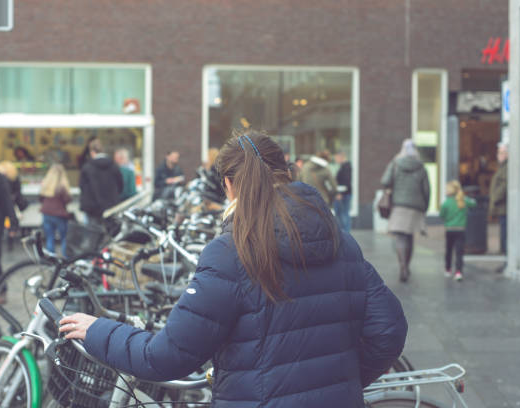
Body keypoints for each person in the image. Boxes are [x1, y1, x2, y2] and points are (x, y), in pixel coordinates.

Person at [60, 131, 408, 408]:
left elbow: (166, 358)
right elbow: (389, 329)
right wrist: (338, 382)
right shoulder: (342, 241)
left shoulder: (230, 253)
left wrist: (97, 330)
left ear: (228, 185)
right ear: (286, 171)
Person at [381, 139, 430, 283]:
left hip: (399, 205)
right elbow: (426, 190)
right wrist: (425, 207)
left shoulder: (396, 163)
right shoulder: (421, 167)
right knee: (410, 237)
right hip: (416, 206)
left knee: (400, 237)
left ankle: (402, 267)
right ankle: (407, 266)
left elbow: (385, 181)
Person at [79, 139, 123, 226]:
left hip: (92, 209)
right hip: (111, 207)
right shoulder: (114, 167)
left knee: (94, 235)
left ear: (92, 152)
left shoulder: (87, 168)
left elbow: (82, 187)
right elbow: (120, 186)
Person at [440, 180, 476, 282]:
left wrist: (447, 220)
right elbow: (474, 204)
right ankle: (458, 272)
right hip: (461, 230)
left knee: (449, 250)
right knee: (459, 252)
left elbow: (442, 215)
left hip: (449, 230)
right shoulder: (463, 200)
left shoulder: (446, 203)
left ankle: (448, 269)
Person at [39, 164, 72, 256]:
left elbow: (41, 199)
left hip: (47, 214)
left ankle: (51, 258)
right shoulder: (62, 186)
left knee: (50, 237)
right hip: (59, 214)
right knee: (64, 237)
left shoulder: (46, 185)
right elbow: (67, 200)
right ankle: (66, 257)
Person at [489, 142, 508, 259]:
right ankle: (505, 258)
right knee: (503, 233)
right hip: (501, 207)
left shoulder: (507, 167)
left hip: (504, 207)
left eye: (501, 153)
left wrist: (496, 197)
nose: (498, 155)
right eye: (498, 153)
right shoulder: (502, 167)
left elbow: (505, 185)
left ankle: (506, 259)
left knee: (505, 234)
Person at [334, 150, 352, 232]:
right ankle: (344, 232)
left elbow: (346, 181)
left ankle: (346, 233)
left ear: (340, 157)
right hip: (343, 194)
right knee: (342, 213)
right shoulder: (343, 166)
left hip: (344, 195)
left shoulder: (346, 166)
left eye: (336, 158)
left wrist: (341, 193)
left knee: (343, 214)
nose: (336, 160)